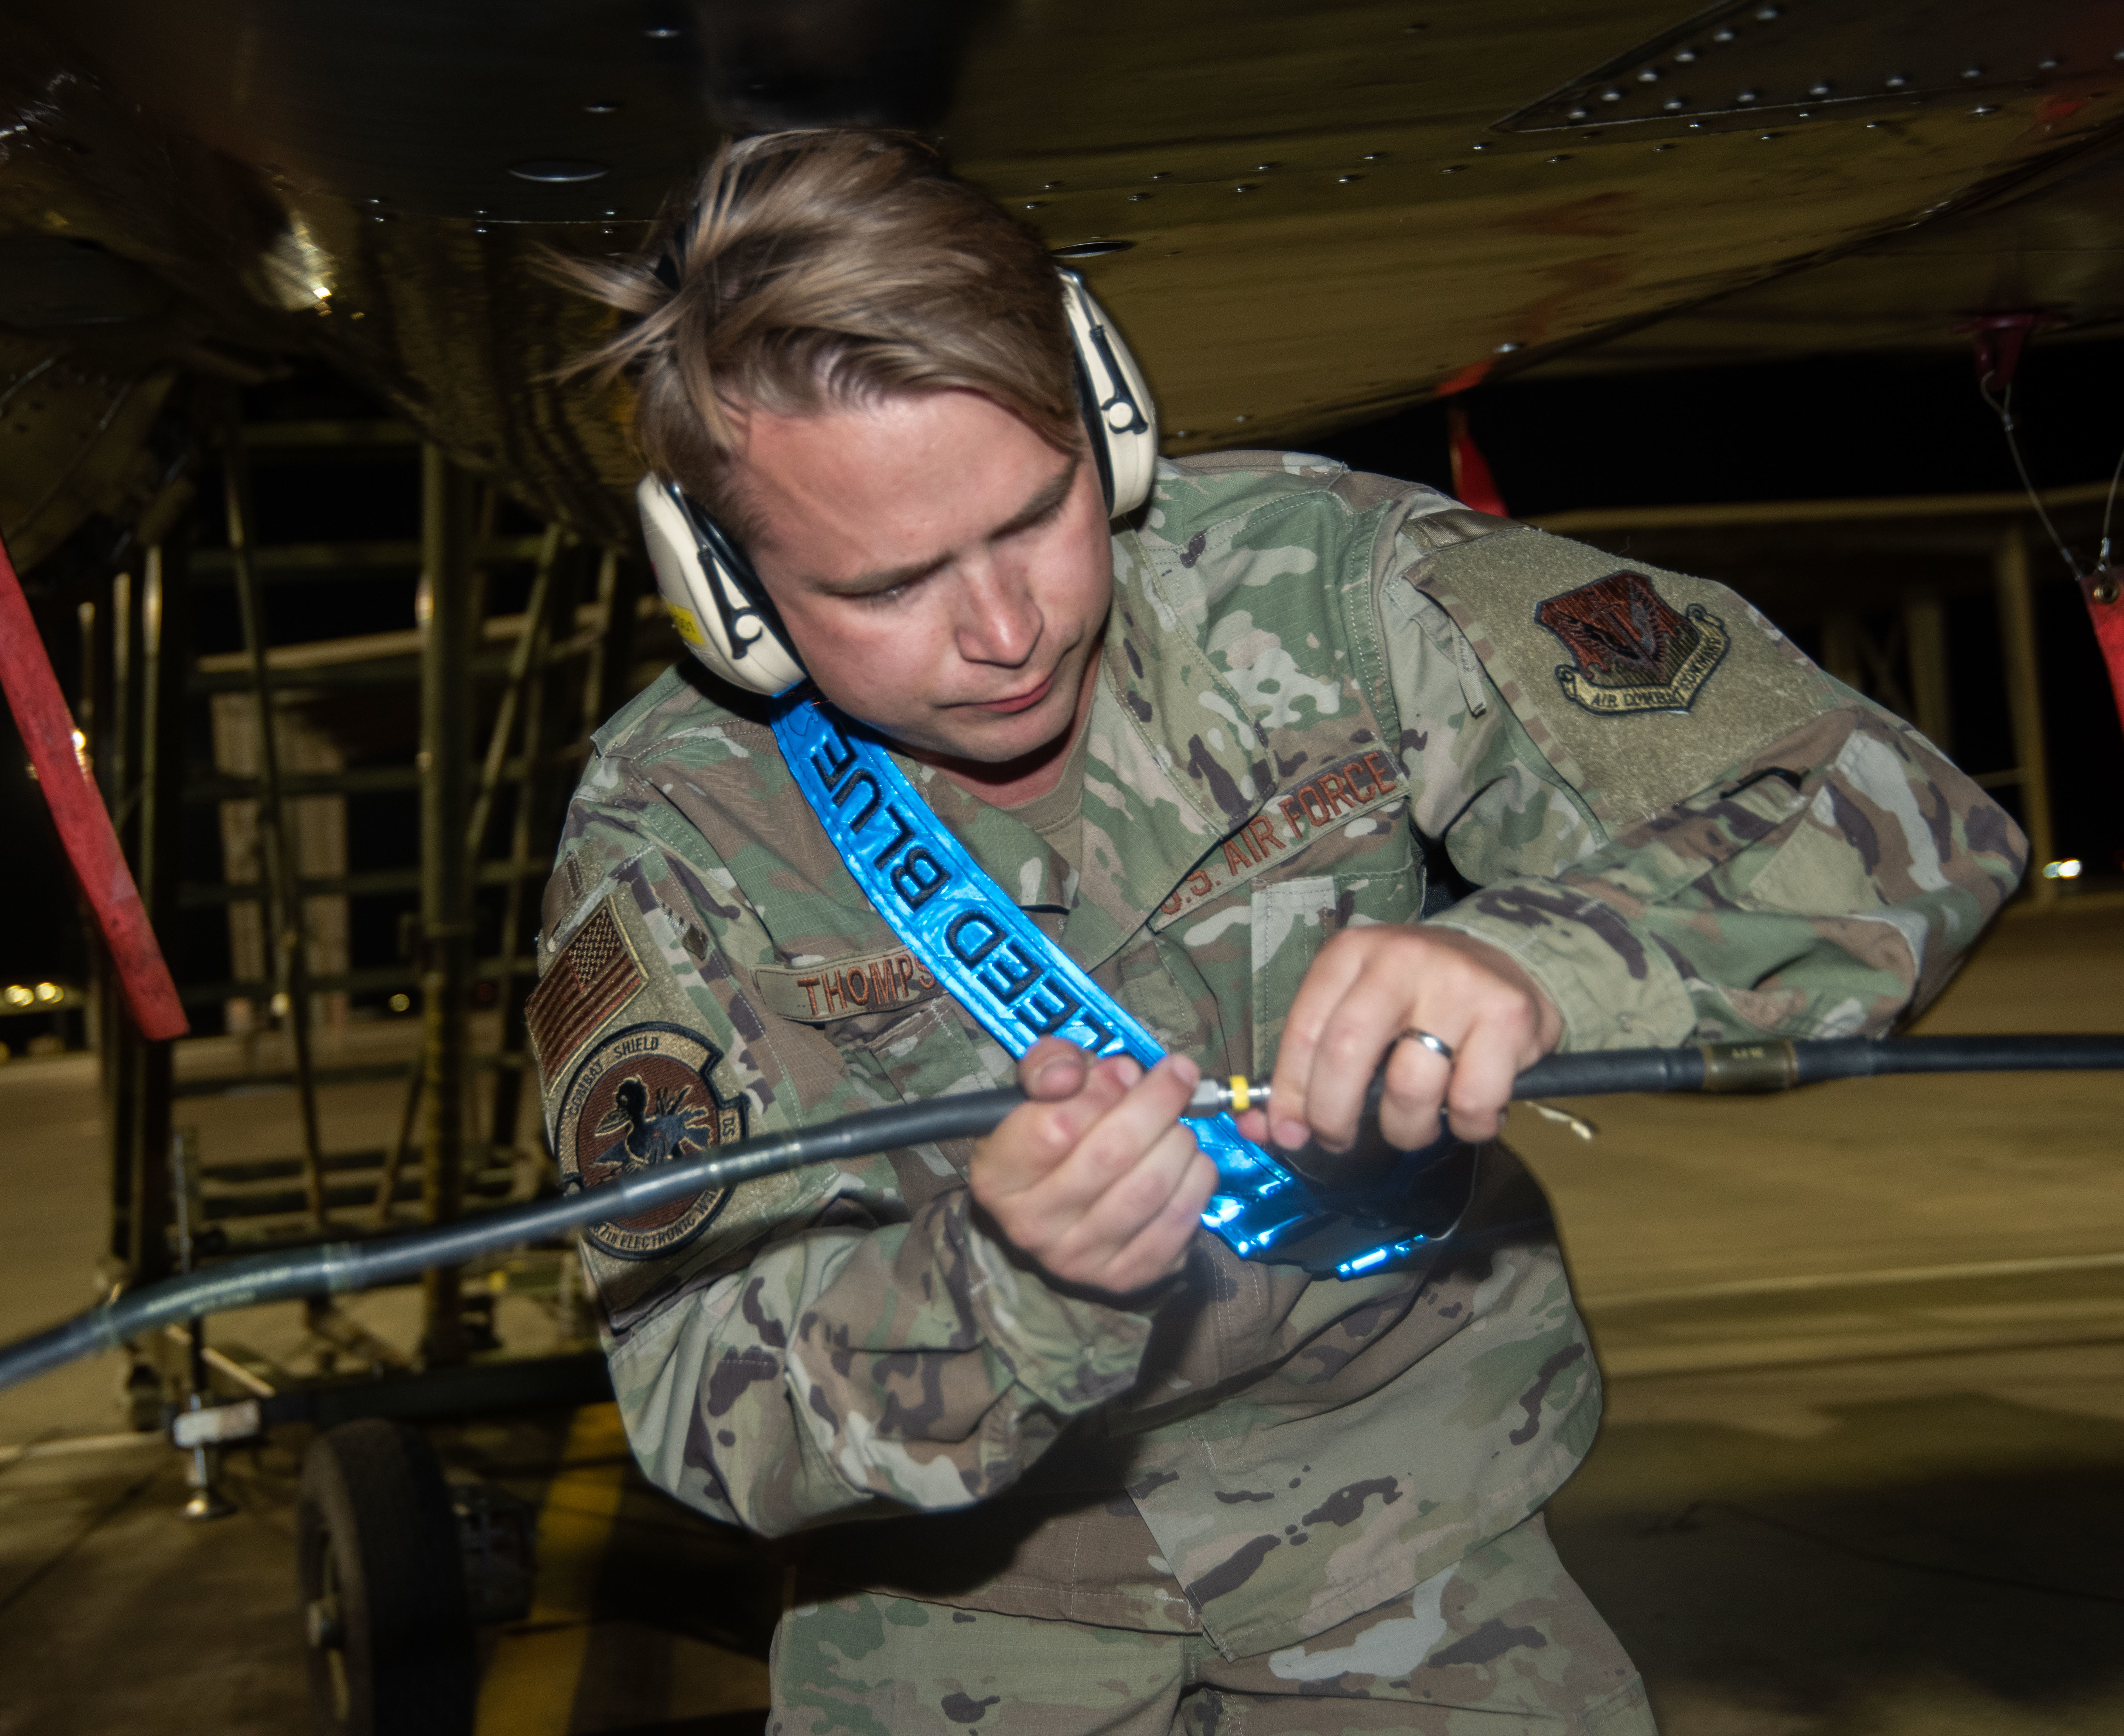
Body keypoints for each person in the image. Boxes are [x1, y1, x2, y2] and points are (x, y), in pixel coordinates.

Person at [525, 130, 2020, 1734]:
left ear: (1110, 416)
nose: (1006, 630)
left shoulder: (1322, 585)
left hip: (1412, 1551)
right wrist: (1009, 1279)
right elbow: (700, 1394)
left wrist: (1545, 954)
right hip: (960, 1628)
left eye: (1037, 514)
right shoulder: (677, 831)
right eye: (888, 586)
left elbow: (1895, 816)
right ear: (725, 587)